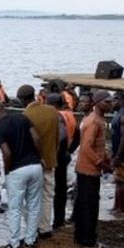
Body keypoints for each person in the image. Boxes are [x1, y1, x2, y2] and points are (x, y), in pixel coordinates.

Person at [0, 100, 42, 248]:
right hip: (35, 166)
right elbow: (37, 139)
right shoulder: (22, 118)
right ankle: (30, 241)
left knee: (15, 208)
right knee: (33, 206)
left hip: (17, 170)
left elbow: (7, 153)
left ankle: (14, 244)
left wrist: (7, 171)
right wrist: (39, 158)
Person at [74, 91, 112, 248]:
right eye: (107, 102)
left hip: (88, 169)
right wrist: (101, 164)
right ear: (98, 103)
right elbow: (86, 148)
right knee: (89, 205)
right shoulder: (94, 121)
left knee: (84, 203)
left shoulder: (95, 119)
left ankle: (81, 236)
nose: (110, 105)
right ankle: (88, 240)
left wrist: (108, 159)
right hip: (88, 170)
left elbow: (97, 146)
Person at [20, 84, 59, 241]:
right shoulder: (51, 111)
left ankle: (32, 227)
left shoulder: (25, 116)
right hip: (50, 159)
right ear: (35, 95)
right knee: (48, 195)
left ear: (22, 100)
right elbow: (57, 137)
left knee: (31, 197)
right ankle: (45, 227)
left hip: (32, 162)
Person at [49, 93, 79, 230]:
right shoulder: (70, 115)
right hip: (65, 154)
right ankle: (59, 220)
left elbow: (61, 137)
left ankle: (57, 221)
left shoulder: (57, 116)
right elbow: (78, 135)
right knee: (61, 189)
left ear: (53, 105)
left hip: (58, 156)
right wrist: (70, 150)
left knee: (56, 190)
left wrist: (56, 155)